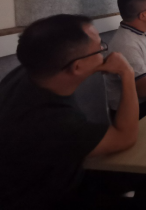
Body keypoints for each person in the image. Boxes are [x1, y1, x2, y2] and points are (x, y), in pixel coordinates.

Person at [0, 14, 138, 209]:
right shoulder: (52, 122)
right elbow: (125, 137)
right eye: (100, 47)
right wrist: (127, 73)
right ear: (77, 66)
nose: (104, 52)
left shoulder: (31, 71)